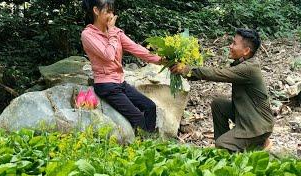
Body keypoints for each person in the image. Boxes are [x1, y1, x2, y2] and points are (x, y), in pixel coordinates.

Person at [170, 29, 274, 152]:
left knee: (222, 144)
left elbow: (218, 73)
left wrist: (188, 70)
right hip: (248, 115)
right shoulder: (244, 63)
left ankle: (255, 143)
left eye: (234, 44)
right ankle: (227, 145)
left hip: (257, 125)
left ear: (246, 51)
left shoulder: (249, 69)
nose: (230, 46)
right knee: (219, 104)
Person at [81, 0, 164, 133]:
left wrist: (162, 61)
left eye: (112, 11)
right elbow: (108, 55)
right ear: (96, 11)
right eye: (108, 11)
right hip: (106, 85)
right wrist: (112, 32)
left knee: (150, 106)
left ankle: (149, 141)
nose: (112, 15)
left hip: (120, 82)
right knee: (138, 119)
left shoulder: (116, 33)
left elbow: (137, 49)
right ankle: (148, 142)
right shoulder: (88, 35)